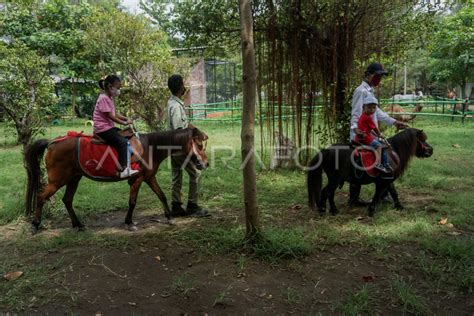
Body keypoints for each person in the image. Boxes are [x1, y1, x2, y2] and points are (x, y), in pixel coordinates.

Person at [349, 62, 408, 207]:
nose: (379, 79)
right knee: (360, 166)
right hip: (362, 135)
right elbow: (356, 114)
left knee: (380, 160)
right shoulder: (361, 91)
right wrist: (357, 131)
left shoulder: (370, 91)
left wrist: (394, 122)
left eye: (381, 76)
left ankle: (383, 194)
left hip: (371, 135)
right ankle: (355, 198)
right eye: (378, 76)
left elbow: (378, 112)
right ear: (368, 74)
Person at [166, 74, 209, 217]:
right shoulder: (176, 107)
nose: (185, 86)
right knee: (196, 173)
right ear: (180, 87)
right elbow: (180, 131)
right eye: (183, 84)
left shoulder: (172, 103)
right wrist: (192, 140)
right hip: (180, 147)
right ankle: (192, 206)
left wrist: (197, 131)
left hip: (172, 147)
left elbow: (184, 125)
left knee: (176, 176)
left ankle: (176, 206)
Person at [93, 75, 138, 179]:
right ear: (110, 86)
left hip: (108, 127)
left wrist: (126, 119)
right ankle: (123, 170)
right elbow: (110, 116)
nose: (119, 90)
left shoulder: (109, 98)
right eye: (118, 88)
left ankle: (129, 157)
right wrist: (124, 123)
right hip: (103, 129)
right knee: (122, 142)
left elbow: (115, 114)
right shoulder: (104, 98)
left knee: (128, 134)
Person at [356, 95, 392, 173]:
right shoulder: (367, 117)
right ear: (364, 107)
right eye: (369, 108)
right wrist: (380, 134)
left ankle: (386, 164)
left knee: (382, 144)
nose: (371, 110)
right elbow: (375, 129)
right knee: (379, 145)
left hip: (365, 136)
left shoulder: (364, 116)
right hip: (365, 138)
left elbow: (370, 129)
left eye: (373, 108)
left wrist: (376, 135)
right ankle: (378, 164)